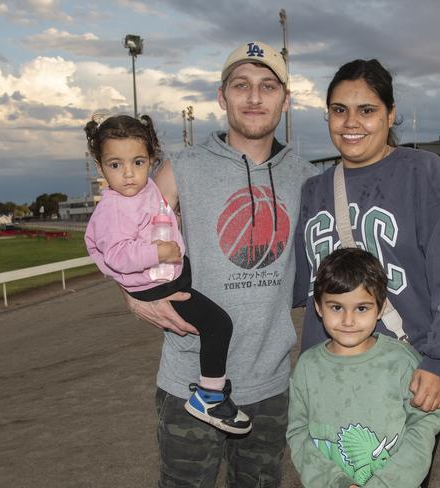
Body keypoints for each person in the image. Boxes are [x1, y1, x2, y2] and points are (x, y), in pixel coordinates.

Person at [123, 41, 318, 486]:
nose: (254, 97)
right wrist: (131, 296)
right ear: (221, 96)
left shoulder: (306, 177)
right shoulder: (181, 168)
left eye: (268, 86)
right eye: (241, 85)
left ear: (285, 100)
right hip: (189, 383)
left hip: (268, 386)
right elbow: (118, 233)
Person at [293, 59, 440, 486]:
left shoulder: (423, 173)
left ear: (391, 114)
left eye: (367, 110)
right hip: (329, 375)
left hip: (404, 378)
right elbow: (293, 284)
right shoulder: (314, 190)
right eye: (339, 109)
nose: (351, 122)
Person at [84, 114, 251, 434]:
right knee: (218, 324)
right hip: (152, 285)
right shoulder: (112, 208)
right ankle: (210, 396)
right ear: (99, 165)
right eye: (115, 165)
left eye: (138, 162)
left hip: (165, 273)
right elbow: (118, 256)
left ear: (152, 159)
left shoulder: (143, 189)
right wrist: (158, 252)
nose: (129, 174)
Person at [287, 248, 440, 487]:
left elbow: (423, 424)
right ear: (318, 307)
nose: (348, 321)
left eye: (362, 308)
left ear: (380, 309)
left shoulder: (402, 362)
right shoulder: (307, 366)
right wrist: (333, 482)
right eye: (336, 307)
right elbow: (298, 431)